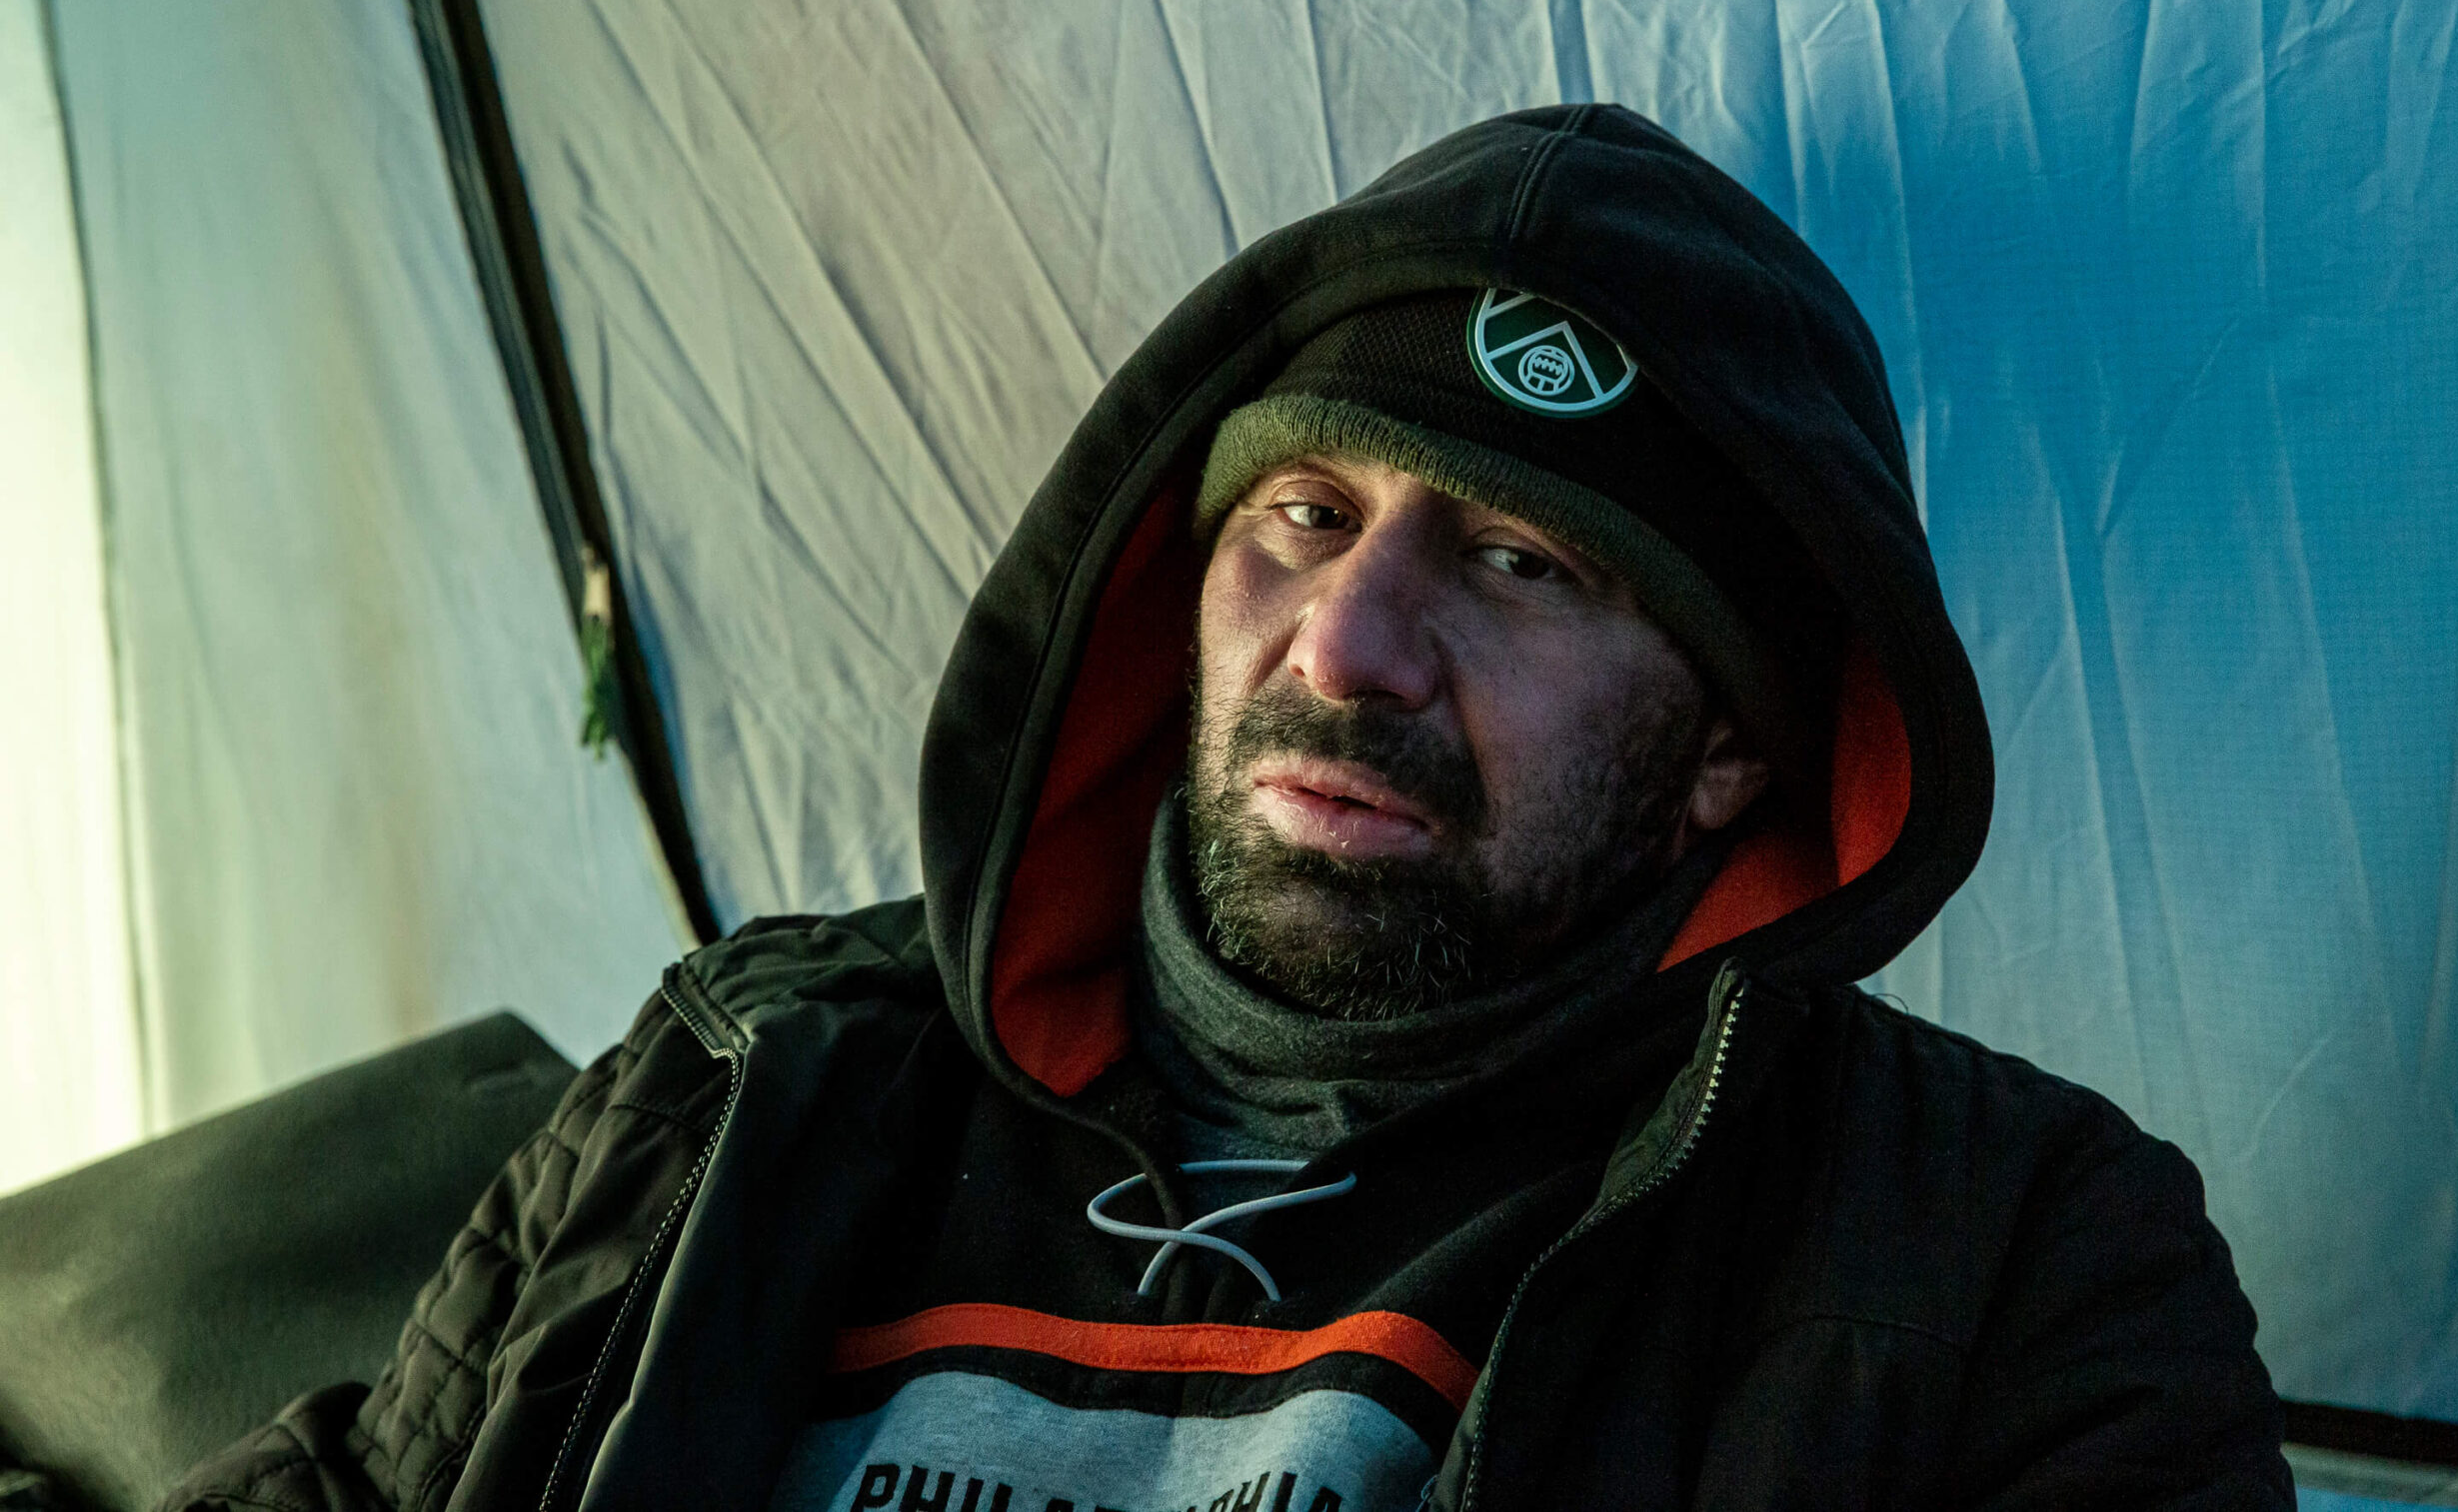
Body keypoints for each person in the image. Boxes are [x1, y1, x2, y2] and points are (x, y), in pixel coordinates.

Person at [169, 105, 2290, 1510]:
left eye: (1519, 563)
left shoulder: (1997, 1249)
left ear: (1729, 747)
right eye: (1300, 509)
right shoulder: (746, 1078)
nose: (1345, 645)